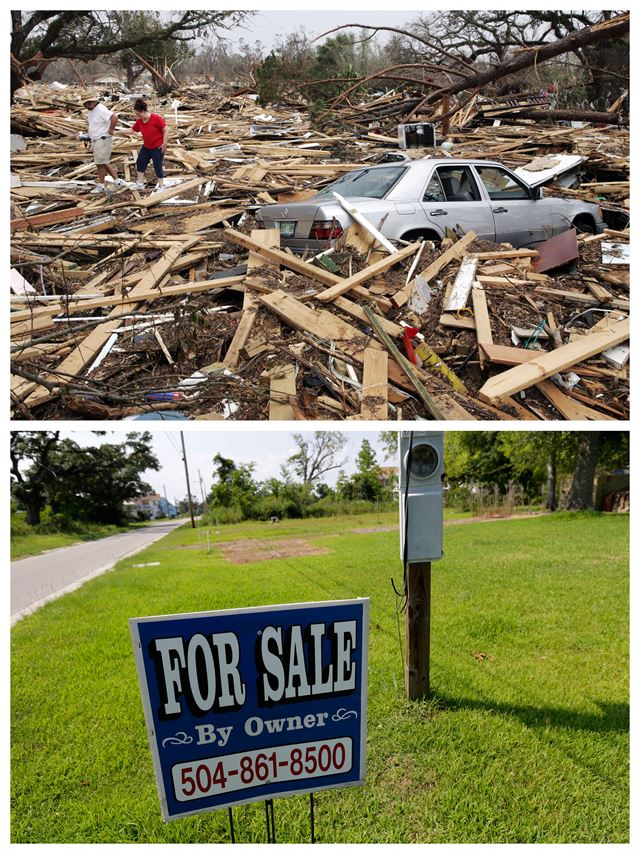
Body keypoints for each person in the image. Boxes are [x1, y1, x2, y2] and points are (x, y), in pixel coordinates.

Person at [80, 91, 126, 193]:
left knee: (100, 163)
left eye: (87, 103)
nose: (86, 106)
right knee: (103, 161)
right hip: (97, 139)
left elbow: (114, 117)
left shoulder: (100, 109)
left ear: (92, 102)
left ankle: (101, 185)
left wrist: (111, 130)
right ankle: (117, 181)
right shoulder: (92, 111)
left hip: (103, 139)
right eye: (85, 104)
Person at [121, 99, 169, 190]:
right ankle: (140, 183)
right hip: (147, 146)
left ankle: (162, 185)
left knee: (157, 165)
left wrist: (164, 143)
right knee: (140, 162)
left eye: (138, 114)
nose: (138, 116)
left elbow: (166, 129)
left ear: (143, 111)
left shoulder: (156, 118)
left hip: (157, 146)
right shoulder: (140, 121)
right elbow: (132, 130)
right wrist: (118, 132)